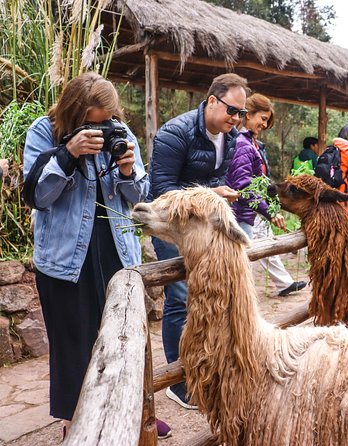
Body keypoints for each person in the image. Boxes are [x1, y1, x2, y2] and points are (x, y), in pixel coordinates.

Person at [22, 72, 171, 440]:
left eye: (106, 120)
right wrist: (68, 153)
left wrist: (126, 168)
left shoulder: (119, 130)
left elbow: (139, 196)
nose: (102, 129)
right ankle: (76, 417)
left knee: (126, 336)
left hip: (118, 250)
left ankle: (137, 407)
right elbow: (37, 195)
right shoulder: (46, 131)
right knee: (74, 340)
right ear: (75, 113)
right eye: (93, 122)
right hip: (65, 256)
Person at [148, 73, 245, 411]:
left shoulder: (228, 137)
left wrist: (220, 194)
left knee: (208, 296)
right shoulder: (174, 133)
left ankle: (205, 365)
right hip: (173, 229)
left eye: (241, 114)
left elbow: (217, 176)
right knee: (178, 298)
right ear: (213, 100)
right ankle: (178, 379)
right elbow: (161, 189)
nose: (235, 120)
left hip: (204, 229)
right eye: (232, 111)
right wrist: (208, 195)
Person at [226, 93, 307, 296]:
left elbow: (260, 180)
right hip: (243, 210)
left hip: (254, 208)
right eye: (262, 119)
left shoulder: (253, 144)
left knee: (265, 244)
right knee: (242, 260)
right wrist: (269, 211)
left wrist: (272, 204)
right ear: (248, 114)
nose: (264, 124)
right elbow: (244, 185)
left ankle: (283, 284)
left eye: (267, 121)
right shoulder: (242, 145)